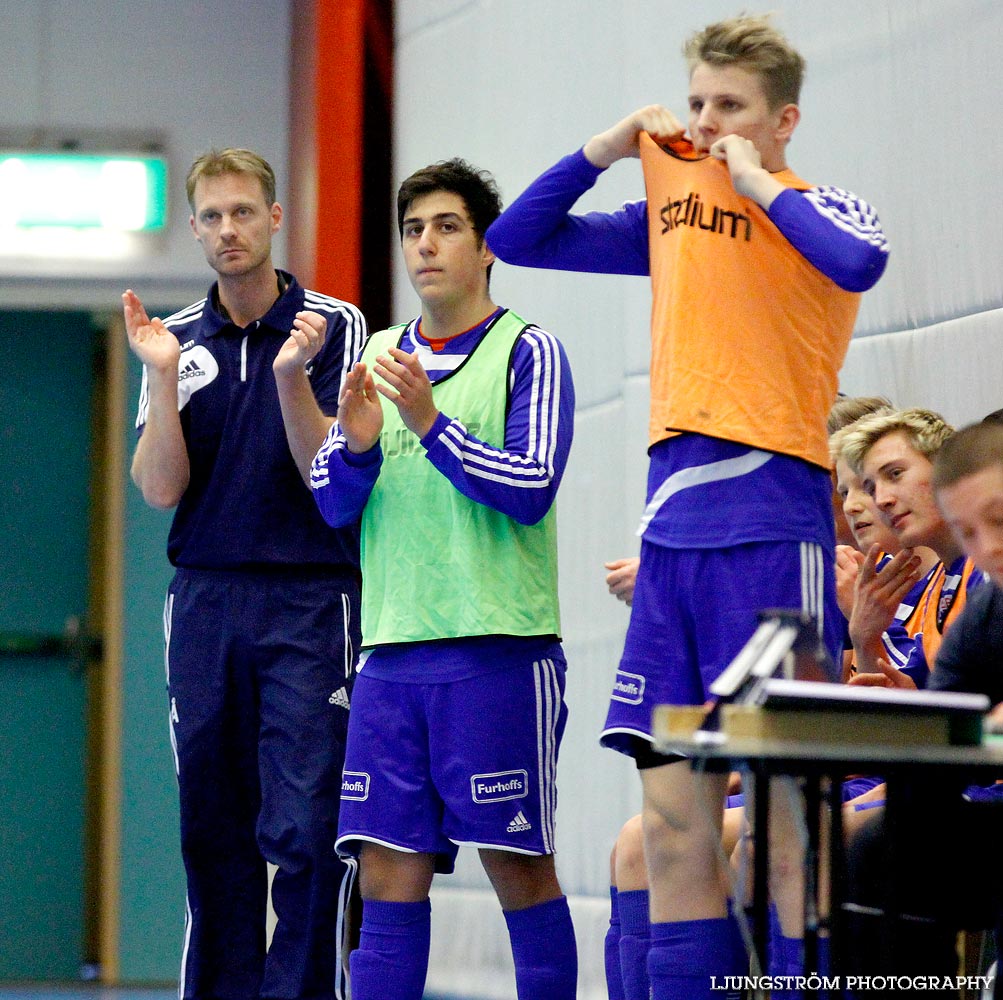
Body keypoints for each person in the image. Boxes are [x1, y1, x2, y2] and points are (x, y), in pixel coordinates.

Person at [486, 13, 888, 997]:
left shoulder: (822, 207)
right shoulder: (669, 213)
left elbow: (857, 264)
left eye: (732, 108)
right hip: (671, 549)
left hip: (771, 538)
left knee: (788, 829)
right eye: (699, 104)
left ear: (782, 117)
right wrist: (607, 148)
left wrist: (754, 181)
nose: (707, 126)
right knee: (673, 824)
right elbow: (515, 237)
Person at [310, 158, 577, 1000]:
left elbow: (529, 488)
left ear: (487, 245)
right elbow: (328, 501)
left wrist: (426, 422)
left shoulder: (528, 350)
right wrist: (354, 447)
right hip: (390, 658)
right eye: (413, 229)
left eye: (446, 226)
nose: (425, 245)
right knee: (389, 874)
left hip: (498, 653)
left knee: (517, 867)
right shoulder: (379, 352)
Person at [124, 148, 366, 1000]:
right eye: (212, 217)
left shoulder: (334, 325)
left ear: (272, 217)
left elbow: (330, 472)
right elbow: (159, 490)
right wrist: (156, 380)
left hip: (311, 598)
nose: (229, 230)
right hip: (205, 600)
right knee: (213, 829)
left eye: (242, 213)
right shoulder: (173, 341)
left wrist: (291, 375)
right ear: (194, 229)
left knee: (306, 826)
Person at [843, 421, 1003, 990]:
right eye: (969, 532)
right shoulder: (988, 605)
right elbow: (935, 740)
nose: (988, 549)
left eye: (999, 522)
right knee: (884, 847)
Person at [839, 408, 988, 685]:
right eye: (872, 488)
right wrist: (864, 636)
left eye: (895, 474)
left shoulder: (987, 569)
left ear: (946, 469)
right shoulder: (941, 585)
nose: (881, 499)